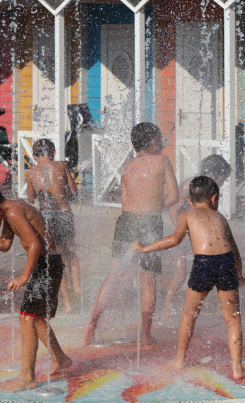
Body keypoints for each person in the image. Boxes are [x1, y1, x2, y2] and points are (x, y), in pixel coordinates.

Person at [131, 176, 245, 381]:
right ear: (214, 198)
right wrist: (239, 273)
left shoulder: (187, 215)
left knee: (189, 313)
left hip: (203, 263)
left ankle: (180, 359)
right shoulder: (221, 217)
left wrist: (145, 248)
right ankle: (237, 367)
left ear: (191, 201)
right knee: (233, 319)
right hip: (226, 262)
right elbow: (235, 249)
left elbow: (174, 239)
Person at [0, 184, 72, 393]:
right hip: (48, 263)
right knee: (35, 317)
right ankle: (61, 358)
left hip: (46, 264)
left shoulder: (13, 212)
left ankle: (27, 377)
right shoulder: (9, 211)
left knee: (27, 317)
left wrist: (24, 276)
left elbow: (35, 245)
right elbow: (5, 245)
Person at [83, 122, 179, 346]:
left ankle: (91, 324)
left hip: (125, 222)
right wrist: (157, 205)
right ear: (154, 142)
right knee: (148, 281)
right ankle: (145, 335)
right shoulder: (162, 161)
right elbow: (174, 197)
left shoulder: (127, 167)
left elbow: (125, 200)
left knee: (114, 275)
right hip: (148, 223)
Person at [162, 155, 232, 317]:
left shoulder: (211, 187)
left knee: (213, 268)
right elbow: (173, 209)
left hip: (199, 234)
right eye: (223, 178)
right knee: (180, 273)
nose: (224, 182)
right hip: (182, 233)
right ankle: (166, 308)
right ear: (212, 173)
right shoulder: (190, 185)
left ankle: (218, 308)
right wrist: (182, 230)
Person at [26, 138, 80, 314]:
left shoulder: (31, 172)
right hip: (65, 214)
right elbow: (73, 190)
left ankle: (68, 303)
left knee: (56, 258)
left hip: (47, 217)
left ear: (34, 156)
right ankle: (78, 289)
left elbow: (31, 199)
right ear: (53, 153)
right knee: (70, 253)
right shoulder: (61, 165)